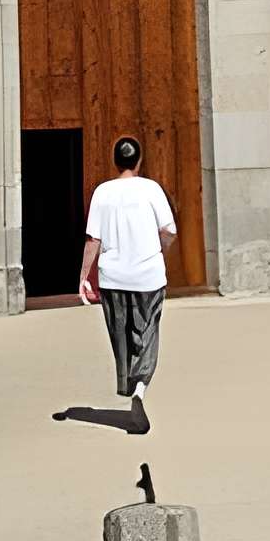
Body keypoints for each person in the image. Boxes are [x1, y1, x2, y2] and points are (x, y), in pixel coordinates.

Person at [77, 136, 176, 432]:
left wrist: (84, 276)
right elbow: (168, 230)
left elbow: (93, 239)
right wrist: (158, 251)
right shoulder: (151, 189)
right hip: (148, 276)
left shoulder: (102, 193)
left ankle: (127, 380)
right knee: (147, 333)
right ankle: (139, 388)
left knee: (122, 334)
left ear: (115, 160)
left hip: (113, 278)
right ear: (139, 160)